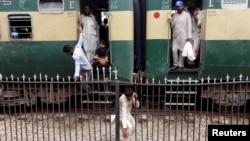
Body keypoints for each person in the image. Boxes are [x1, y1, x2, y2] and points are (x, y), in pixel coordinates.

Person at [63, 24, 92, 91]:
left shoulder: (75, 55)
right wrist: (81, 31)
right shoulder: (77, 47)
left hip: (86, 71)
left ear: (69, 51)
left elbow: (77, 65)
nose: (67, 54)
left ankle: (89, 92)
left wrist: (76, 75)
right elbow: (81, 40)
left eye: (67, 53)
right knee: (81, 81)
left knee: (84, 84)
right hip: (85, 69)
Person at [168, 0, 192, 70]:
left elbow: (189, 26)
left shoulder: (187, 15)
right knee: (174, 50)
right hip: (175, 35)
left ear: (183, 7)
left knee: (182, 50)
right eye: (177, 7)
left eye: (179, 6)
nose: (177, 8)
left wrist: (189, 36)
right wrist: (170, 21)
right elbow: (172, 25)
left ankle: (181, 65)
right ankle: (175, 64)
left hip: (183, 35)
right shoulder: (174, 15)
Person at [187, 2, 202, 66]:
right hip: (189, 33)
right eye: (190, 11)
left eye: (192, 11)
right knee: (189, 49)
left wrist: (195, 16)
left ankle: (193, 62)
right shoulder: (188, 13)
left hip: (197, 34)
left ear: (195, 9)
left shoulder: (200, 13)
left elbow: (199, 25)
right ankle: (189, 63)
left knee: (195, 49)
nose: (191, 12)